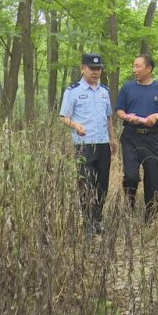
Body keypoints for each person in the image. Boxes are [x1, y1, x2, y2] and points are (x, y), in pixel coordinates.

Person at [59, 53, 117, 235]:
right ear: (82, 68)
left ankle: (97, 220)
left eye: (98, 68)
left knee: (102, 184)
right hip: (84, 144)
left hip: (102, 144)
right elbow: (63, 117)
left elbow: (108, 117)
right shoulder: (73, 91)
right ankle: (87, 221)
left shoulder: (104, 91)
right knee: (86, 183)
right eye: (92, 68)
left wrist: (112, 138)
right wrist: (75, 125)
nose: (96, 72)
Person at [115, 54, 158, 223]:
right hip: (131, 136)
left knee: (153, 179)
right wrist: (126, 117)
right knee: (131, 176)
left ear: (149, 68)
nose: (134, 70)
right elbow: (119, 110)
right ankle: (129, 205)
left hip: (152, 138)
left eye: (138, 66)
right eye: (133, 66)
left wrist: (156, 116)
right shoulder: (127, 88)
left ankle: (150, 218)